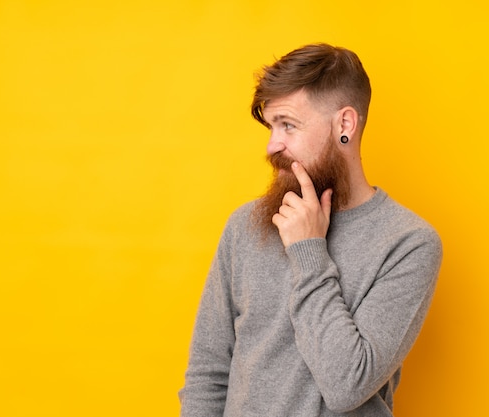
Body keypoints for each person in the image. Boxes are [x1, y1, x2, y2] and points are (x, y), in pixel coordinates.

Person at [179, 43, 442, 416]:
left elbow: (346, 385)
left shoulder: (408, 244)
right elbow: (208, 372)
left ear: (345, 125)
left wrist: (308, 252)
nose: (273, 146)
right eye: (272, 127)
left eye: (288, 125)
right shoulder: (244, 226)